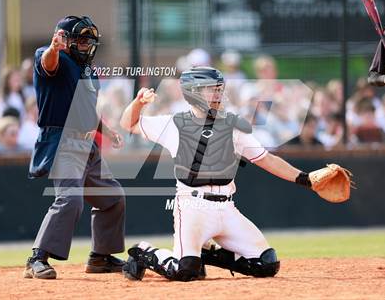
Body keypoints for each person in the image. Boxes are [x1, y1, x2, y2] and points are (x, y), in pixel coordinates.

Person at [119, 67, 326, 282]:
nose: (218, 94)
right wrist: (139, 103)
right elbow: (128, 123)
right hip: (192, 207)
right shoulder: (174, 124)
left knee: (267, 264)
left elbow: (266, 159)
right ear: (193, 92)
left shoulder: (233, 125)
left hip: (227, 208)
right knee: (185, 270)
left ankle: (205, 253)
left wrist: (306, 178)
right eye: (211, 89)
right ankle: (145, 252)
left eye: (219, 89)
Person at [25, 16, 126, 280]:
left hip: (86, 142)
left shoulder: (88, 70)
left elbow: (87, 110)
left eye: (89, 41)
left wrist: (107, 130)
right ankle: (37, 258)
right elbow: (48, 63)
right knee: (70, 198)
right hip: (62, 140)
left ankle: (100, 257)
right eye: (80, 40)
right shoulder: (52, 56)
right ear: (65, 39)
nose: (86, 46)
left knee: (113, 198)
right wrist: (53, 49)